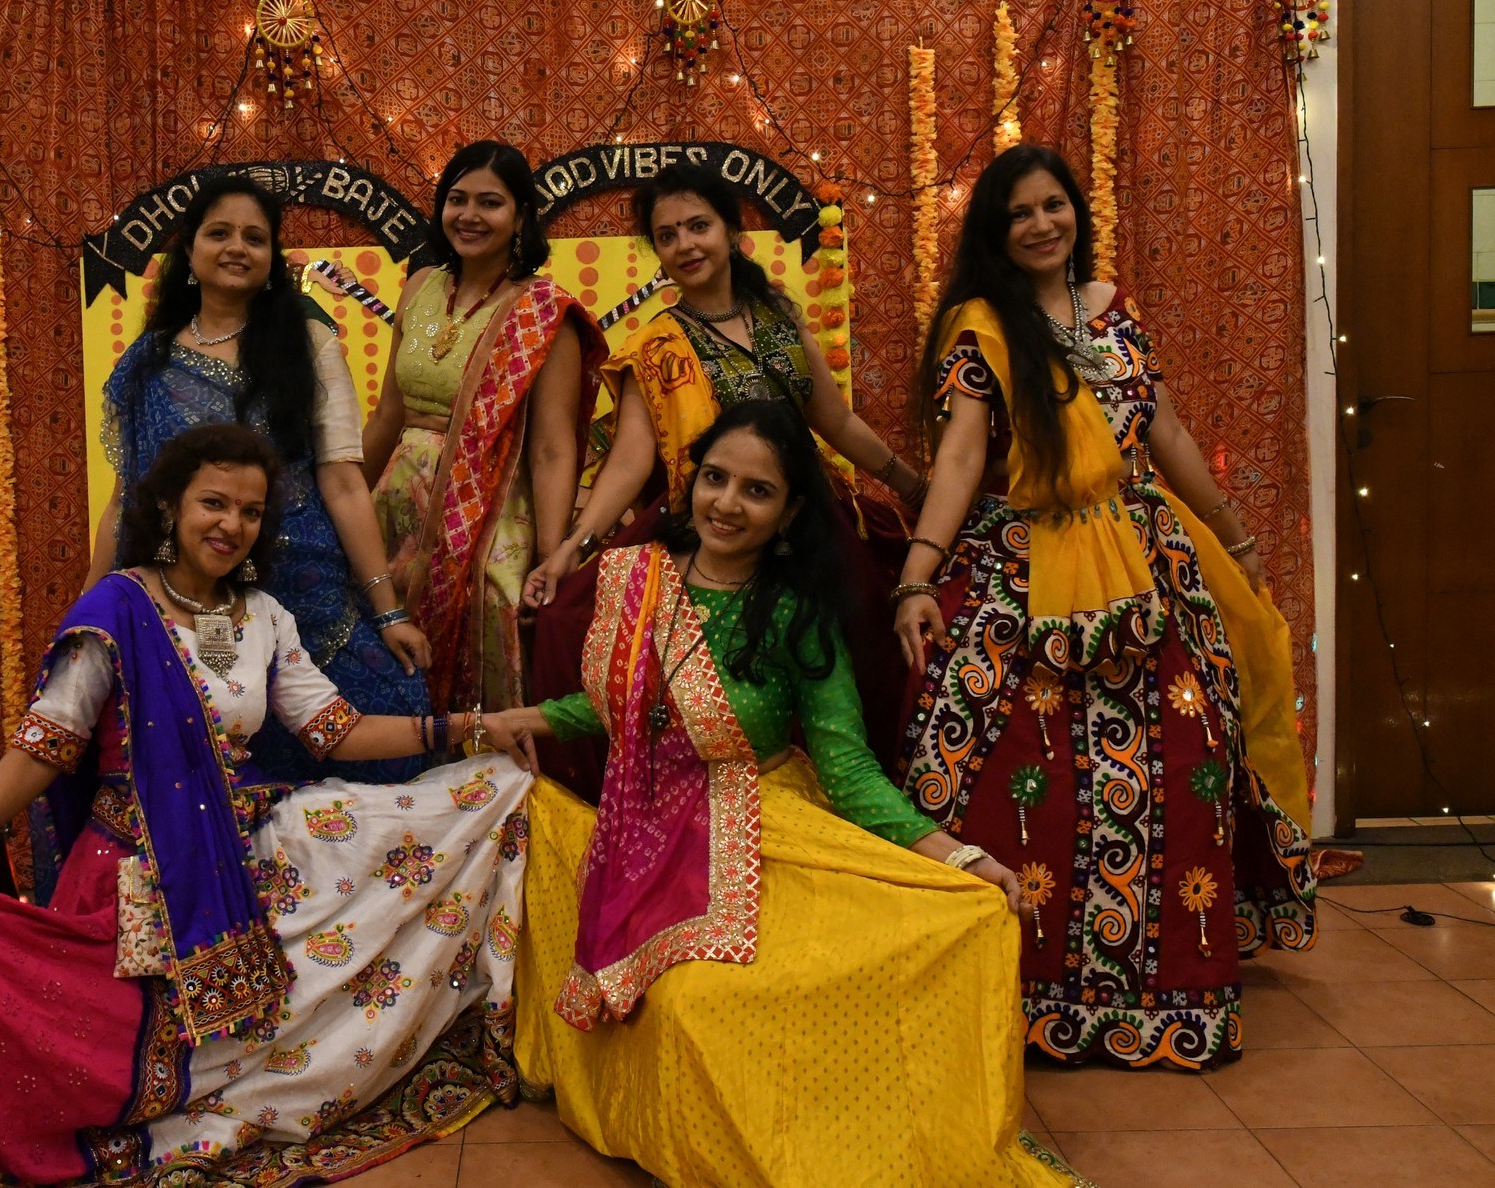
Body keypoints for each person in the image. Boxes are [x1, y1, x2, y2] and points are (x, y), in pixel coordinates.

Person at [0, 424, 540, 1186]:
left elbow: (334, 730)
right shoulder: (118, 608)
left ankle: (265, 1080)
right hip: (131, 869)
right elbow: (47, 742)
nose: (231, 524)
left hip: (240, 854)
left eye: (250, 510)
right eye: (213, 502)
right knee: (81, 1022)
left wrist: (471, 727)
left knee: (443, 810)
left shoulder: (262, 615)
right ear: (170, 506)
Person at [489, 401, 1069, 1187]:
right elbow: (616, 704)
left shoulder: (797, 612)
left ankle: (849, 1147)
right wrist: (522, 718)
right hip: (644, 827)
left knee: (927, 929)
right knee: (688, 995)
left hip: (765, 826)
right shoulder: (637, 579)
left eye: (756, 490)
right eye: (715, 478)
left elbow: (849, 769)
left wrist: (961, 857)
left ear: (790, 511)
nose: (726, 503)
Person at [894, 144, 1315, 1071]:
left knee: (1185, 764)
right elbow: (962, 456)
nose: (1042, 224)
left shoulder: (1113, 309)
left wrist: (1236, 536)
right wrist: (920, 576)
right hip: (1021, 573)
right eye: (1020, 213)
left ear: (1076, 212)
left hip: (1143, 566)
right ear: (996, 231)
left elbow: (1164, 426)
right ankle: (1009, 990)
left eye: (1055, 205)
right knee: (994, 768)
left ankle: (1164, 993)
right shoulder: (982, 326)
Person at [522, 161, 922, 798]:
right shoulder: (657, 346)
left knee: (872, 626)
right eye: (667, 235)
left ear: (732, 231)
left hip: (802, 519)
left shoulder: (779, 317)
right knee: (575, 619)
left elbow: (835, 419)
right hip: (712, 529)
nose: (685, 245)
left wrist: (912, 488)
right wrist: (572, 547)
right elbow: (629, 462)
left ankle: (855, 797)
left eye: (698, 226)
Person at [86, 176, 429, 784]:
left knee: (386, 729)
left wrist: (387, 610)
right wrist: (89, 607)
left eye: (255, 237)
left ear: (273, 257)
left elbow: (344, 483)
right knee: (209, 766)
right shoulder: (148, 361)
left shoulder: (307, 345)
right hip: (189, 602)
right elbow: (126, 501)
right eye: (219, 233)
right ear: (189, 249)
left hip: (306, 591)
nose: (236, 248)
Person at [349, 140, 605, 715]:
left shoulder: (545, 312)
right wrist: (342, 507)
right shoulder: (420, 285)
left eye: (490, 202)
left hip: (489, 510)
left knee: (489, 623)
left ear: (520, 215)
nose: (469, 215)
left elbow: (552, 449)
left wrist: (549, 557)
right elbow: (389, 415)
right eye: (457, 199)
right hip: (397, 505)